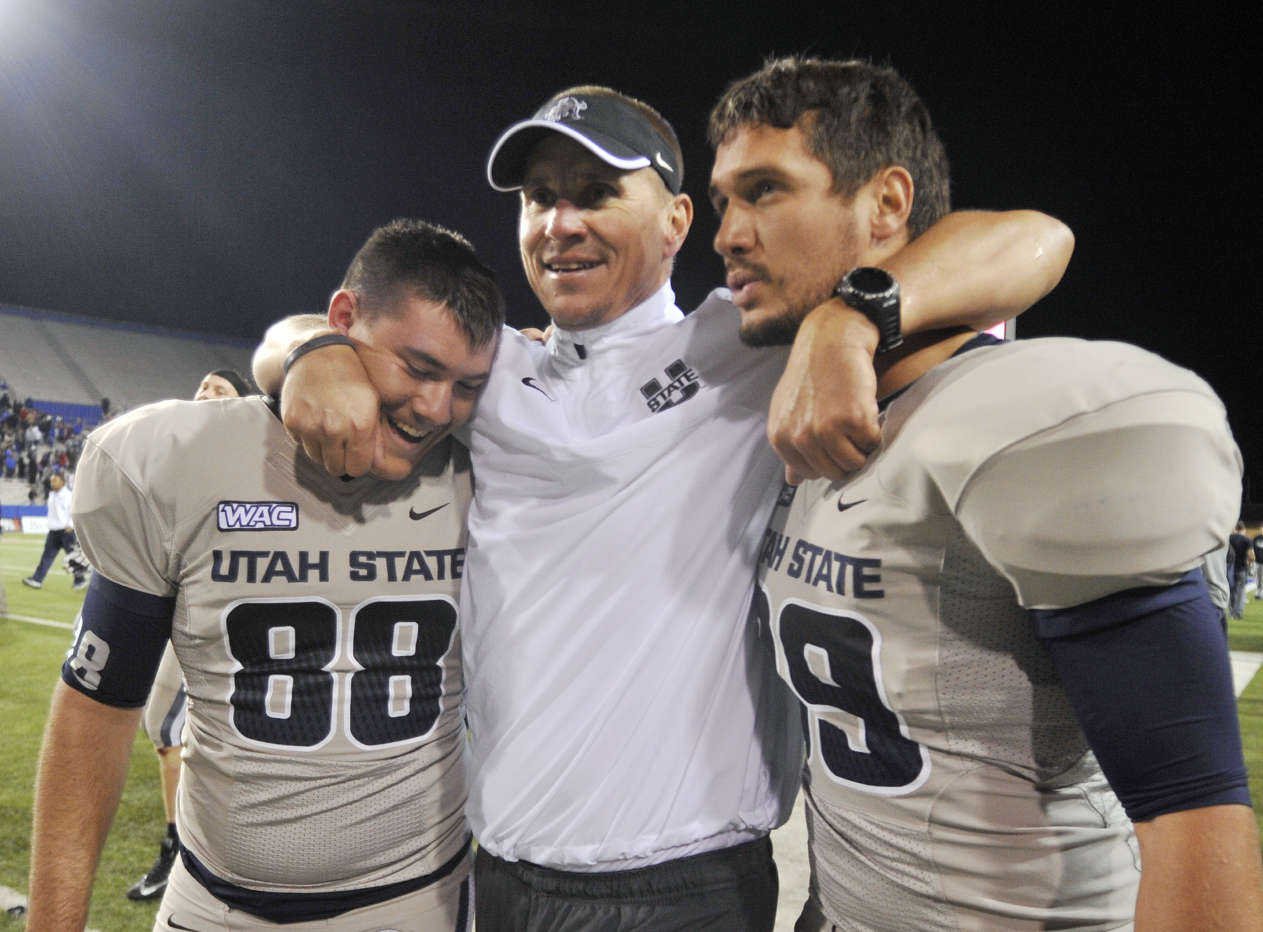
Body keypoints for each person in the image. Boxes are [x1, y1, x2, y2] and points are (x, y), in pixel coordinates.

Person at [253, 88, 1072, 929]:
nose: (558, 223)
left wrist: (847, 320)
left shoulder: (746, 346)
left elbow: (1035, 241)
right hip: (498, 867)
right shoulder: (490, 377)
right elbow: (319, 333)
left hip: (685, 886)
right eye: (540, 198)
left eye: (596, 193)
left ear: (678, 222)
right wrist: (308, 349)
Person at [707, 55, 1263, 929]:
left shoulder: (1020, 416)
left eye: (765, 191)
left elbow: (1193, 811)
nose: (729, 232)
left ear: (887, 205)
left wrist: (847, 313)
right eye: (722, 202)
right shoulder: (795, 416)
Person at [27, 218, 503, 931]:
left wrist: (299, 345)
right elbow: (97, 711)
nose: (437, 408)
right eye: (419, 367)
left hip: (417, 904)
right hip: (215, 906)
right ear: (344, 320)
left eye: (466, 385)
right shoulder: (188, 458)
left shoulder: (491, 470)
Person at [125, 367, 255, 904]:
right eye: (202, 386)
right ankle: (189, 841)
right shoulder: (178, 461)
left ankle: (183, 848)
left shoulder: (253, 464)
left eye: (220, 389)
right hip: (174, 612)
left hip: (219, 621)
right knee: (166, 729)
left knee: (177, 728)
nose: (205, 393)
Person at [22, 471, 86, 590]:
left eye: (55, 480)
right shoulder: (51, 494)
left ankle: (80, 580)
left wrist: (71, 525)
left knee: (72, 557)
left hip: (66, 532)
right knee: (46, 556)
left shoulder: (68, 495)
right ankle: (37, 580)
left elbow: (74, 510)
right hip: (54, 531)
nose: (52, 483)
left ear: (62, 482)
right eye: (52, 480)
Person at [1228, 521, 1253, 619]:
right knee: (1241, 590)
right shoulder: (1246, 539)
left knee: (1232, 590)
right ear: (1242, 529)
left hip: (1230, 568)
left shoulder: (1228, 538)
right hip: (1242, 568)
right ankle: (1237, 613)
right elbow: (1251, 555)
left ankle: (1231, 612)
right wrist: (1250, 563)